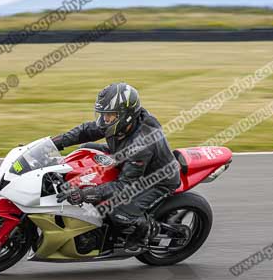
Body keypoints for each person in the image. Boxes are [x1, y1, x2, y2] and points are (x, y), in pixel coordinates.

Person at [52, 83, 181, 251]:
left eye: (110, 115)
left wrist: (84, 194)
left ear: (126, 115)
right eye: (104, 115)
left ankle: (145, 230)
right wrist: (53, 143)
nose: (105, 120)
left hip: (156, 180)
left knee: (117, 212)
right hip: (125, 159)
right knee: (85, 149)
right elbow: (86, 130)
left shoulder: (141, 144)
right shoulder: (124, 124)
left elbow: (125, 186)